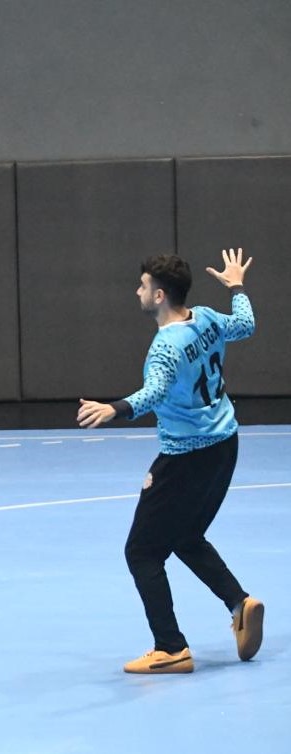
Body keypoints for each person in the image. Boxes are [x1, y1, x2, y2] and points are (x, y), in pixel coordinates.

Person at [77, 248, 262, 674]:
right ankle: (240, 603)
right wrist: (236, 287)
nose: (137, 291)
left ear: (159, 295)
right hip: (225, 445)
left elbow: (155, 391)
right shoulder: (207, 319)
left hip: (184, 458)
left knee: (141, 550)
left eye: (142, 285)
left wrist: (115, 408)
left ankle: (170, 647)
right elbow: (246, 324)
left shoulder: (165, 347)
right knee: (186, 535)